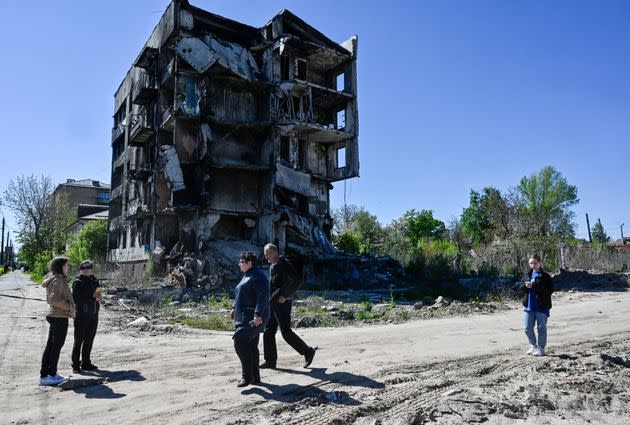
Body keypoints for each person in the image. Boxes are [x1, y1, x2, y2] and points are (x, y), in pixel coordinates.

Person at [261, 244, 316, 370]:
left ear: (274, 252)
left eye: (267, 252)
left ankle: (308, 352)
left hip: (282, 302)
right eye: (265, 253)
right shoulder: (274, 264)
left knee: (286, 332)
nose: (265, 255)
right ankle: (270, 361)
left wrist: (285, 295)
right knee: (268, 331)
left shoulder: (283, 262)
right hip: (273, 302)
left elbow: (297, 280)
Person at [231, 252, 270, 388]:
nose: (239, 264)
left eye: (241, 262)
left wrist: (258, 314)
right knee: (251, 345)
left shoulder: (258, 276)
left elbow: (263, 296)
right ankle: (255, 377)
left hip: (254, 317)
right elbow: (241, 294)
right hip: (244, 315)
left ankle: (247, 376)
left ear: (249, 263)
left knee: (240, 341)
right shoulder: (247, 276)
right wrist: (234, 308)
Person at [40, 256, 75, 386]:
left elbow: (51, 300)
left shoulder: (54, 278)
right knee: (55, 347)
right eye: (66, 265)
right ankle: (50, 375)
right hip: (59, 316)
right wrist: (69, 307)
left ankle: (47, 375)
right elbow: (54, 300)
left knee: (51, 346)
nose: (68, 267)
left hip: (55, 316)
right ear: (61, 266)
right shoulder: (58, 280)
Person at [71, 260, 102, 372]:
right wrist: (91, 297)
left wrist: (98, 297)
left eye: (88, 267)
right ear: (80, 269)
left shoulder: (95, 280)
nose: (86, 269)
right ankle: (75, 365)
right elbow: (76, 299)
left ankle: (86, 363)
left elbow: (98, 293)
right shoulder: (77, 282)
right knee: (79, 340)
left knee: (89, 339)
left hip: (93, 314)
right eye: (83, 267)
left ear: (91, 268)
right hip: (81, 316)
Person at [522, 254, 554, 357]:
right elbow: (519, 288)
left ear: (540, 263)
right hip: (529, 306)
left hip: (542, 306)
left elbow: (550, 290)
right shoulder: (527, 275)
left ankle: (541, 349)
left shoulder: (546, 276)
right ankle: (533, 346)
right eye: (531, 263)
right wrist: (524, 286)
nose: (533, 265)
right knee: (527, 328)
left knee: (541, 329)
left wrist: (534, 286)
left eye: (535, 263)